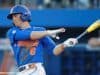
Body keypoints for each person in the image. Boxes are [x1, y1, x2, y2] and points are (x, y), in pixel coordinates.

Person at [7, 5, 78, 75]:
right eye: (12, 17)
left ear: (24, 15)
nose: (13, 19)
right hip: (21, 71)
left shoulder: (40, 31)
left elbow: (54, 51)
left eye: (15, 16)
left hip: (36, 70)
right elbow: (29, 35)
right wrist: (48, 32)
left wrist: (65, 44)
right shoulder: (12, 32)